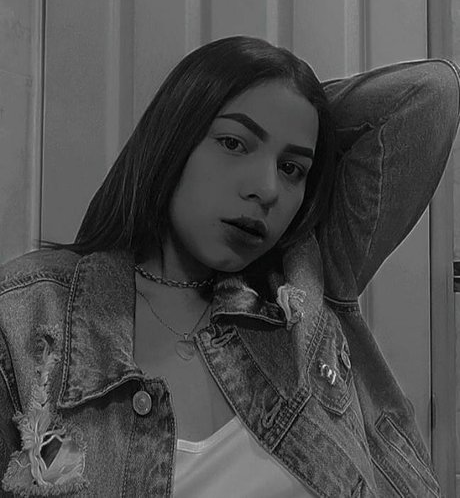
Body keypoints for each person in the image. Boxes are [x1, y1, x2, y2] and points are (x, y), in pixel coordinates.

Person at [0, 36, 458, 497]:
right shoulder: (29, 315)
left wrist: (302, 102)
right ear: (172, 138)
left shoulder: (302, 286)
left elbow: (431, 93)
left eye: (292, 168)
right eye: (234, 143)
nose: (267, 189)